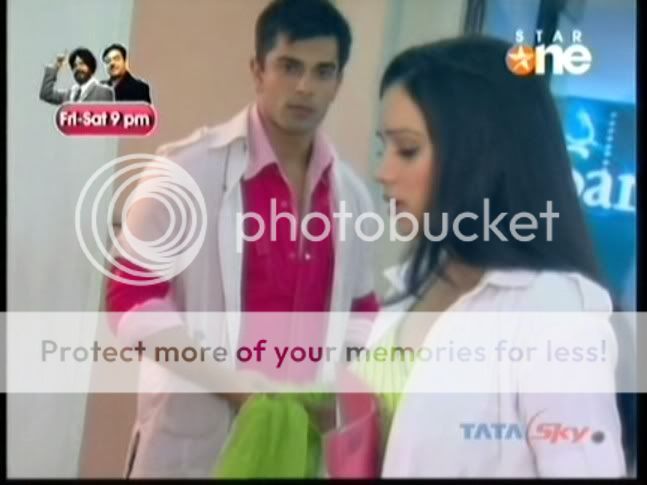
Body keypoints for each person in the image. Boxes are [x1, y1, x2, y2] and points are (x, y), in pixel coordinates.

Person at [106, 0, 378, 478]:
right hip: (198, 440)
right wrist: (235, 386)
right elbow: (131, 303)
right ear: (258, 71)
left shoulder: (352, 195)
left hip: (299, 445)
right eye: (289, 66)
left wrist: (342, 394)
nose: (305, 87)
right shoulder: (185, 172)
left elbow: (362, 311)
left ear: (338, 82)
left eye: (323, 71)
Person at [351, 36, 627, 477]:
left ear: (479, 154)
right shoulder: (416, 283)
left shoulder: (553, 313)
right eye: (384, 148)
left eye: (408, 150)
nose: (383, 172)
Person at [39, 47, 114, 104]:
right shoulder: (70, 94)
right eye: (75, 66)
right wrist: (55, 66)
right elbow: (46, 94)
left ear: (91, 67)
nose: (78, 68)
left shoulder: (103, 91)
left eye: (82, 64)